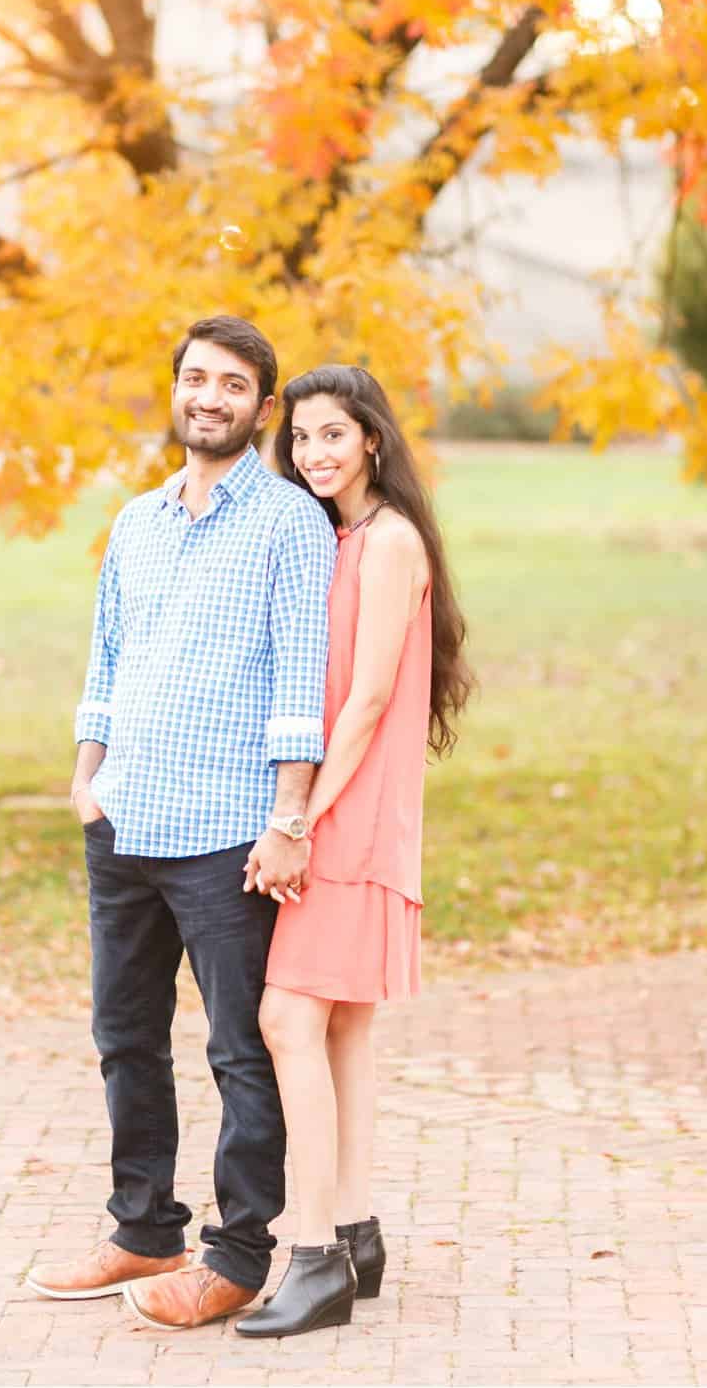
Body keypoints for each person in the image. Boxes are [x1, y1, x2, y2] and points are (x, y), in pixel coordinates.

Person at [26, 316, 337, 1332]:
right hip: (125, 819)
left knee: (238, 1048)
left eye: (232, 382)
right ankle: (144, 1225)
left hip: (226, 829)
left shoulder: (290, 522)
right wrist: (88, 775)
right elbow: (106, 660)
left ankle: (239, 1252)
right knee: (124, 1033)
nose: (209, 394)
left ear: (262, 404)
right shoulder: (137, 520)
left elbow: (301, 680)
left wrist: (289, 814)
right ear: (178, 387)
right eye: (196, 376)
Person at [234, 364, 473, 1339]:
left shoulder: (391, 542)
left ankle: (315, 1253)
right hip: (350, 809)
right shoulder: (336, 536)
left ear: (373, 437)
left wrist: (298, 821)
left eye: (333, 434)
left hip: (348, 814)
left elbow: (370, 699)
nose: (313, 453)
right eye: (300, 438)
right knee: (340, 1029)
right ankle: (358, 1228)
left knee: (287, 1015)